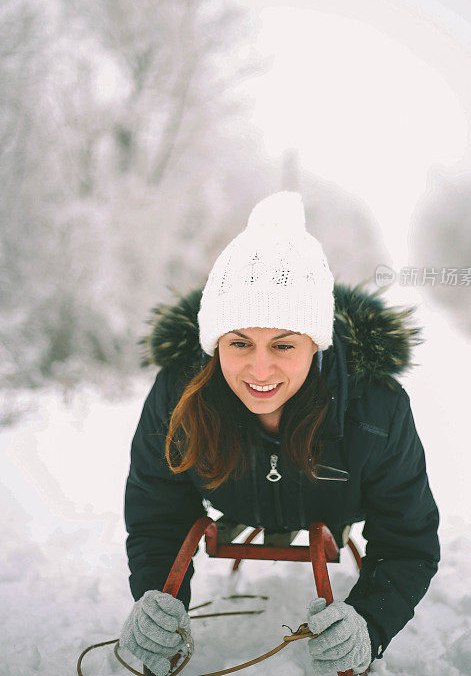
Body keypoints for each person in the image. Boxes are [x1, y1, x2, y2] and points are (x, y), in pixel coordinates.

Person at [119, 191, 440, 676]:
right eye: (240, 342)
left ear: (316, 344)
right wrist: (154, 598)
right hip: (236, 500)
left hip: (333, 508)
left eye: (284, 344)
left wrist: (370, 624)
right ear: (215, 344)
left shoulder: (377, 409)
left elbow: (408, 540)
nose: (260, 368)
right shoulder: (178, 397)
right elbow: (156, 511)